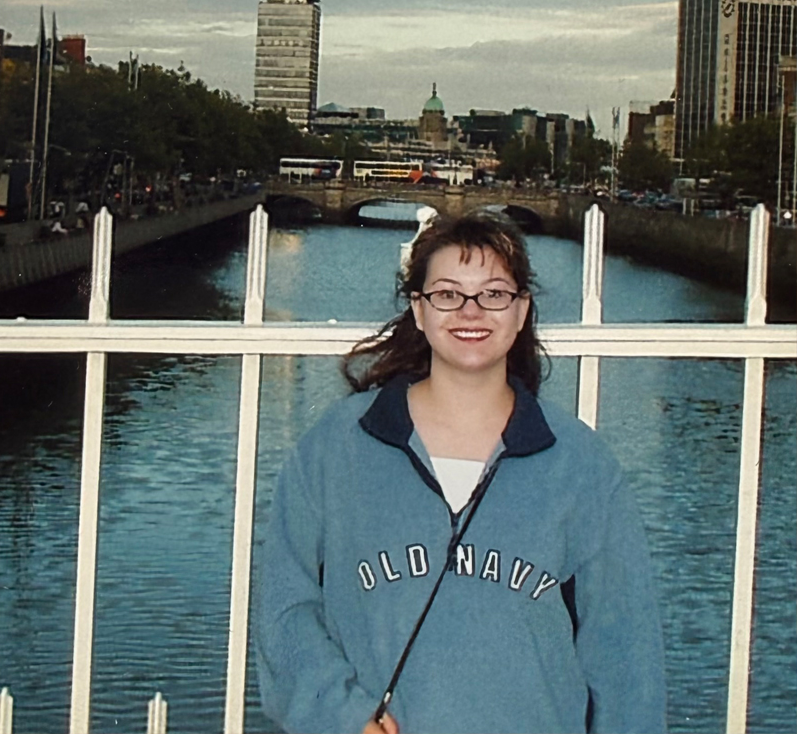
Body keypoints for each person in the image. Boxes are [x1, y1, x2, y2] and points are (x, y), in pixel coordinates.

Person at [254, 211, 666, 734]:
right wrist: (340, 715)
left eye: (494, 294)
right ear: (418, 309)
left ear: (522, 311)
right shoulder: (335, 448)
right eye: (448, 294)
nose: (471, 311)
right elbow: (285, 609)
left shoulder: (582, 467)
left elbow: (626, 658)